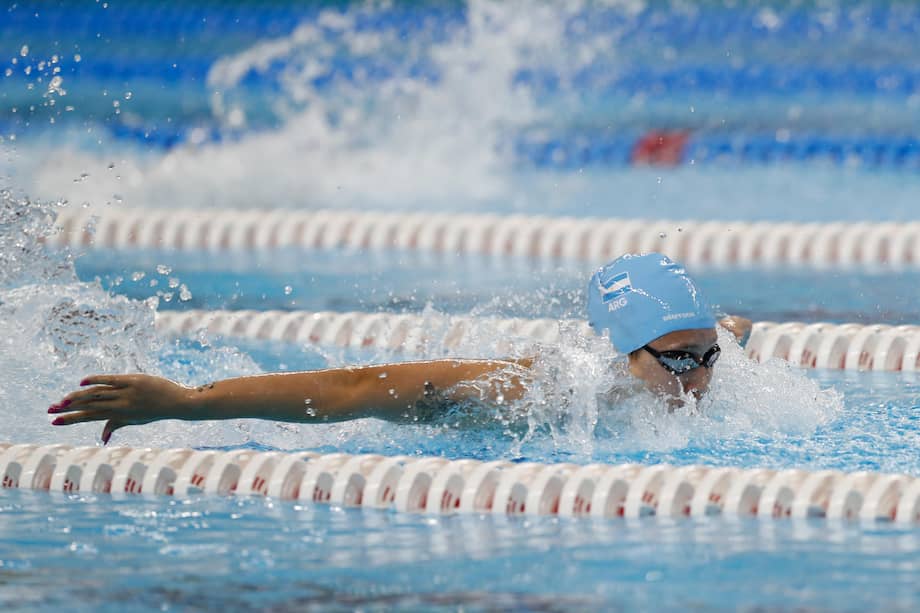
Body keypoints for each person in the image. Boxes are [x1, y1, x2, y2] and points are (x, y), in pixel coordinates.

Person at [49, 253, 751, 444]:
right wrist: (185, 401)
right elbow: (352, 390)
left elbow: (730, 331)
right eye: (678, 360)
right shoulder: (532, 392)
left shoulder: (685, 355)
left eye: (708, 356)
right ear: (618, 352)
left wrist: (726, 336)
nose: (699, 380)